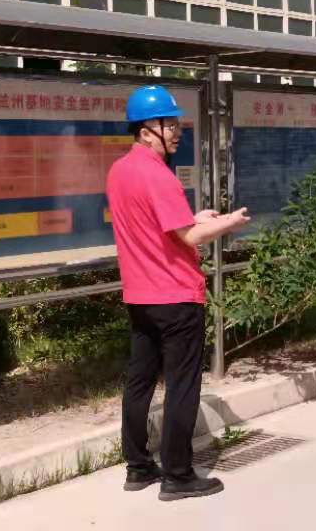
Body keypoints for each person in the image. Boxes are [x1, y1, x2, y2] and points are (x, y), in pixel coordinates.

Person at [107, 85, 250, 501]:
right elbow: (189, 236)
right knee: (182, 386)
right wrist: (228, 222)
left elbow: (160, 225)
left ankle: (138, 467)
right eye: (168, 125)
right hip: (175, 296)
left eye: (176, 124)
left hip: (140, 297)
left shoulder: (120, 171)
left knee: (139, 382)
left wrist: (195, 217)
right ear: (145, 130)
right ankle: (178, 475)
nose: (176, 131)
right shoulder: (159, 174)